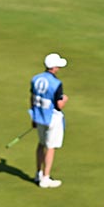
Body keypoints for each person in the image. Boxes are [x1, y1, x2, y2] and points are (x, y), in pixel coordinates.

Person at [30, 54, 68, 188]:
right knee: (50, 147)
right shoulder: (56, 84)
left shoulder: (35, 79)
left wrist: (33, 117)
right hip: (52, 118)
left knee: (41, 144)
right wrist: (65, 100)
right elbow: (59, 105)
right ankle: (45, 178)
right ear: (53, 67)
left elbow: (32, 98)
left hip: (39, 115)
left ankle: (38, 173)